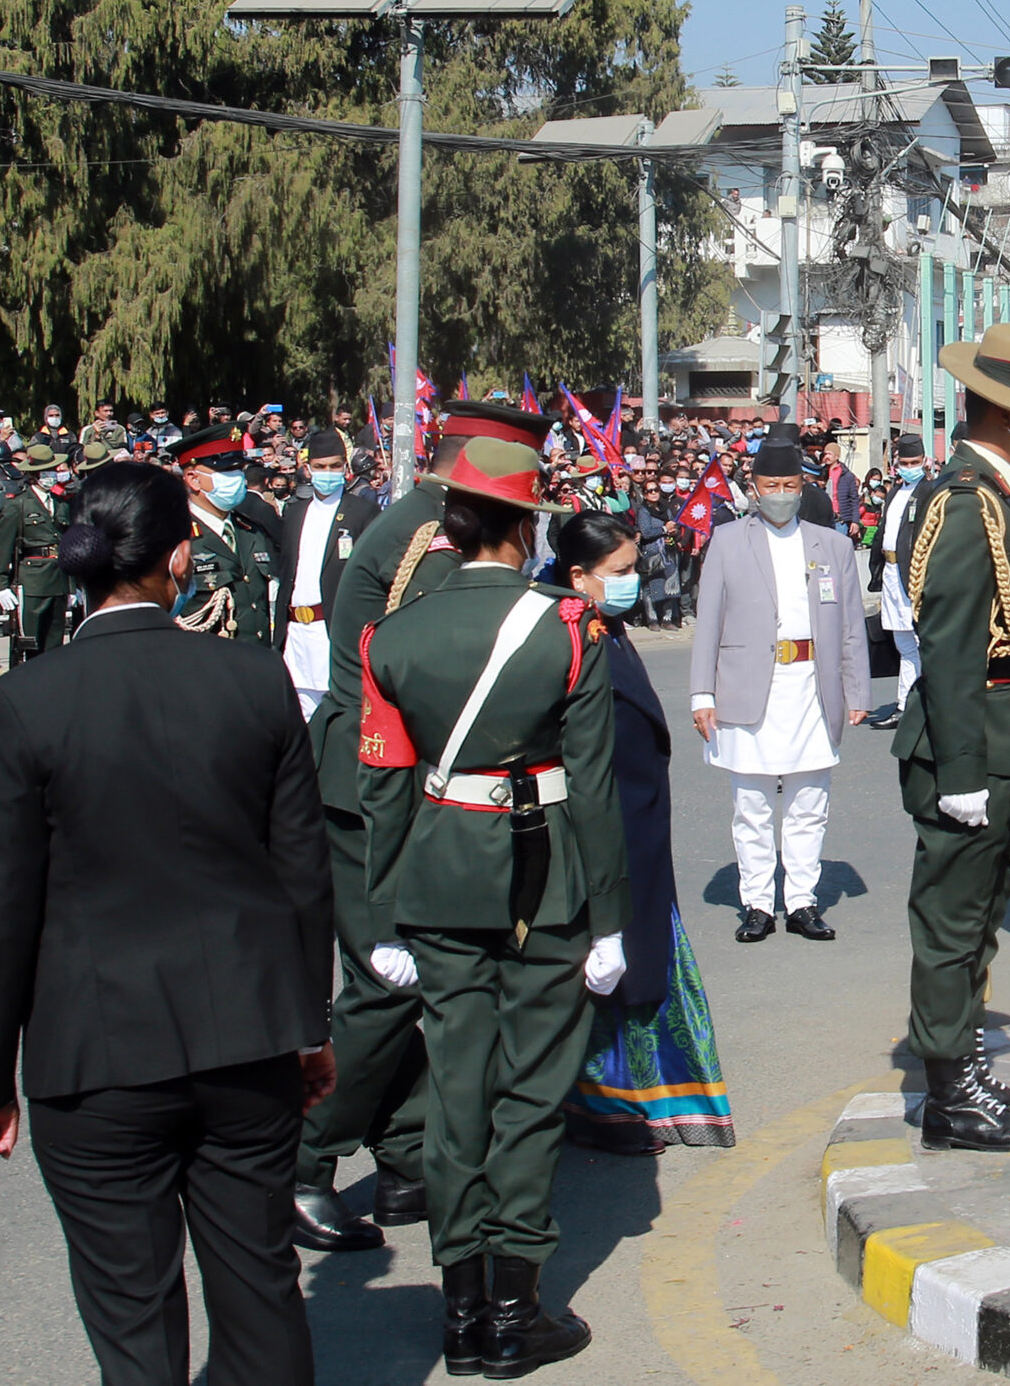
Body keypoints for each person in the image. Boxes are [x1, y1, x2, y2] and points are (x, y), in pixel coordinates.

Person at [0, 462, 333, 1386]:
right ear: (180, 557)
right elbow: (302, 874)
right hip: (248, 1038)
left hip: (96, 1053)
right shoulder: (255, 678)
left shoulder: (24, 700)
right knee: (260, 1290)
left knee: (133, 1316)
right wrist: (309, 1027)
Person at [356, 435, 629, 1377]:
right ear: (523, 528)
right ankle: (515, 1307)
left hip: (438, 878)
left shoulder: (392, 635)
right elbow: (593, 787)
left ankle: (462, 1307)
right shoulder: (568, 628)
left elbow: (384, 790)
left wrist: (382, 918)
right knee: (532, 1090)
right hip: (545, 880)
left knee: (455, 1088)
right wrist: (610, 920)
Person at [293, 398, 551, 1254]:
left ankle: (405, 1151)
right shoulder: (435, 540)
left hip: (385, 772)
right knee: (387, 977)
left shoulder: (421, 520)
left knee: (409, 974)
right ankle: (300, 1158)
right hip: (384, 780)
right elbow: (451, 674)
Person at [888, 323, 1010, 1149]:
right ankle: (950, 1093)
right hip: (969, 743)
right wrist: (964, 771)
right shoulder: (968, 502)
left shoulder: (994, 493)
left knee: (972, 920)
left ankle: (963, 1071)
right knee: (953, 921)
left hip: (999, 734)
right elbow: (949, 645)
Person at [551, 512, 734, 1154]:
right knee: (612, 972)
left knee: (645, 962)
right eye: (621, 571)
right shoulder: (567, 636)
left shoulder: (607, 626)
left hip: (639, 827)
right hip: (606, 833)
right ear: (579, 575)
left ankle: (648, 1104)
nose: (634, 580)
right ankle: (606, 1109)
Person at [688, 434, 871, 943]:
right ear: (754, 487)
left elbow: (851, 626)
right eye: (771, 485)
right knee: (752, 804)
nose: (781, 494)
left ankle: (802, 901)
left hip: (812, 685)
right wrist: (702, 694)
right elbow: (708, 622)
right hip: (747, 687)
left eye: (790, 485)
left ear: (802, 487)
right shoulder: (728, 541)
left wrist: (857, 692)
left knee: (809, 802)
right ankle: (756, 903)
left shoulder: (831, 545)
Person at [275, 431, 378, 718]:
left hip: (332, 633)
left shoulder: (362, 512)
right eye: (320, 467)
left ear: (345, 468)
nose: (327, 473)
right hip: (296, 635)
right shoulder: (295, 513)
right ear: (308, 469)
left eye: (334, 466)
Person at [168, 427, 278, 645]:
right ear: (193, 479)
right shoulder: (175, 537)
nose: (237, 477)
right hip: (205, 660)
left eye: (239, 469)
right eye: (227, 470)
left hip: (258, 657)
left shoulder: (251, 530)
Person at [0, 442, 74, 664]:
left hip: (58, 578)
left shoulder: (60, 503)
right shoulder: (18, 504)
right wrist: (0, 584)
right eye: (45, 473)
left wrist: (71, 586)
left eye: (53, 472)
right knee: (30, 642)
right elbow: (3, 548)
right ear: (34, 475)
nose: (51, 477)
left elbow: (66, 545)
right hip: (32, 581)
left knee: (55, 641)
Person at [874, 432, 931, 728]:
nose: (909, 467)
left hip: (914, 575)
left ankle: (924, 703)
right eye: (905, 463)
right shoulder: (895, 492)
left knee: (920, 640)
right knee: (903, 642)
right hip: (891, 572)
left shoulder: (930, 491)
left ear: (924, 461)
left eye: (914, 462)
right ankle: (904, 703)